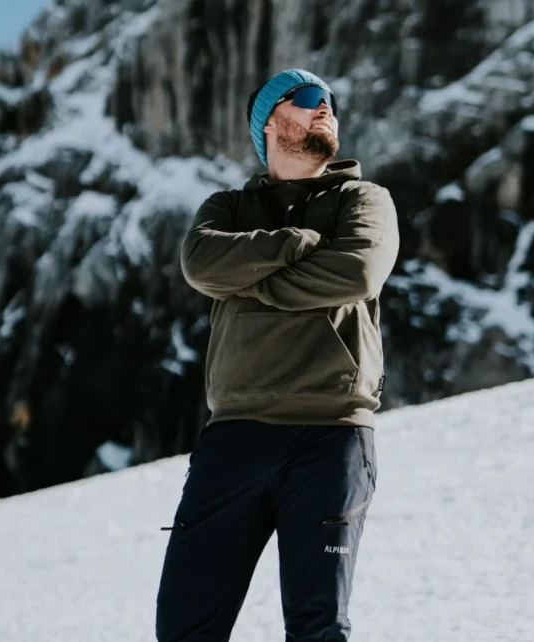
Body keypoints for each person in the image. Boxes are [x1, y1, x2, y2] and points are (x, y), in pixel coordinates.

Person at [156, 68, 399, 642]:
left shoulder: (363, 199)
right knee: (185, 627)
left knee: (318, 627)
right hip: (234, 437)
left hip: (331, 436)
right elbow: (200, 264)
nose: (325, 109)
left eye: (331, 101)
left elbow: (357, 272)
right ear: (268, 121)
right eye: (310, 98)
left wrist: (252, 283)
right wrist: (298, 243)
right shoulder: (227, 207)